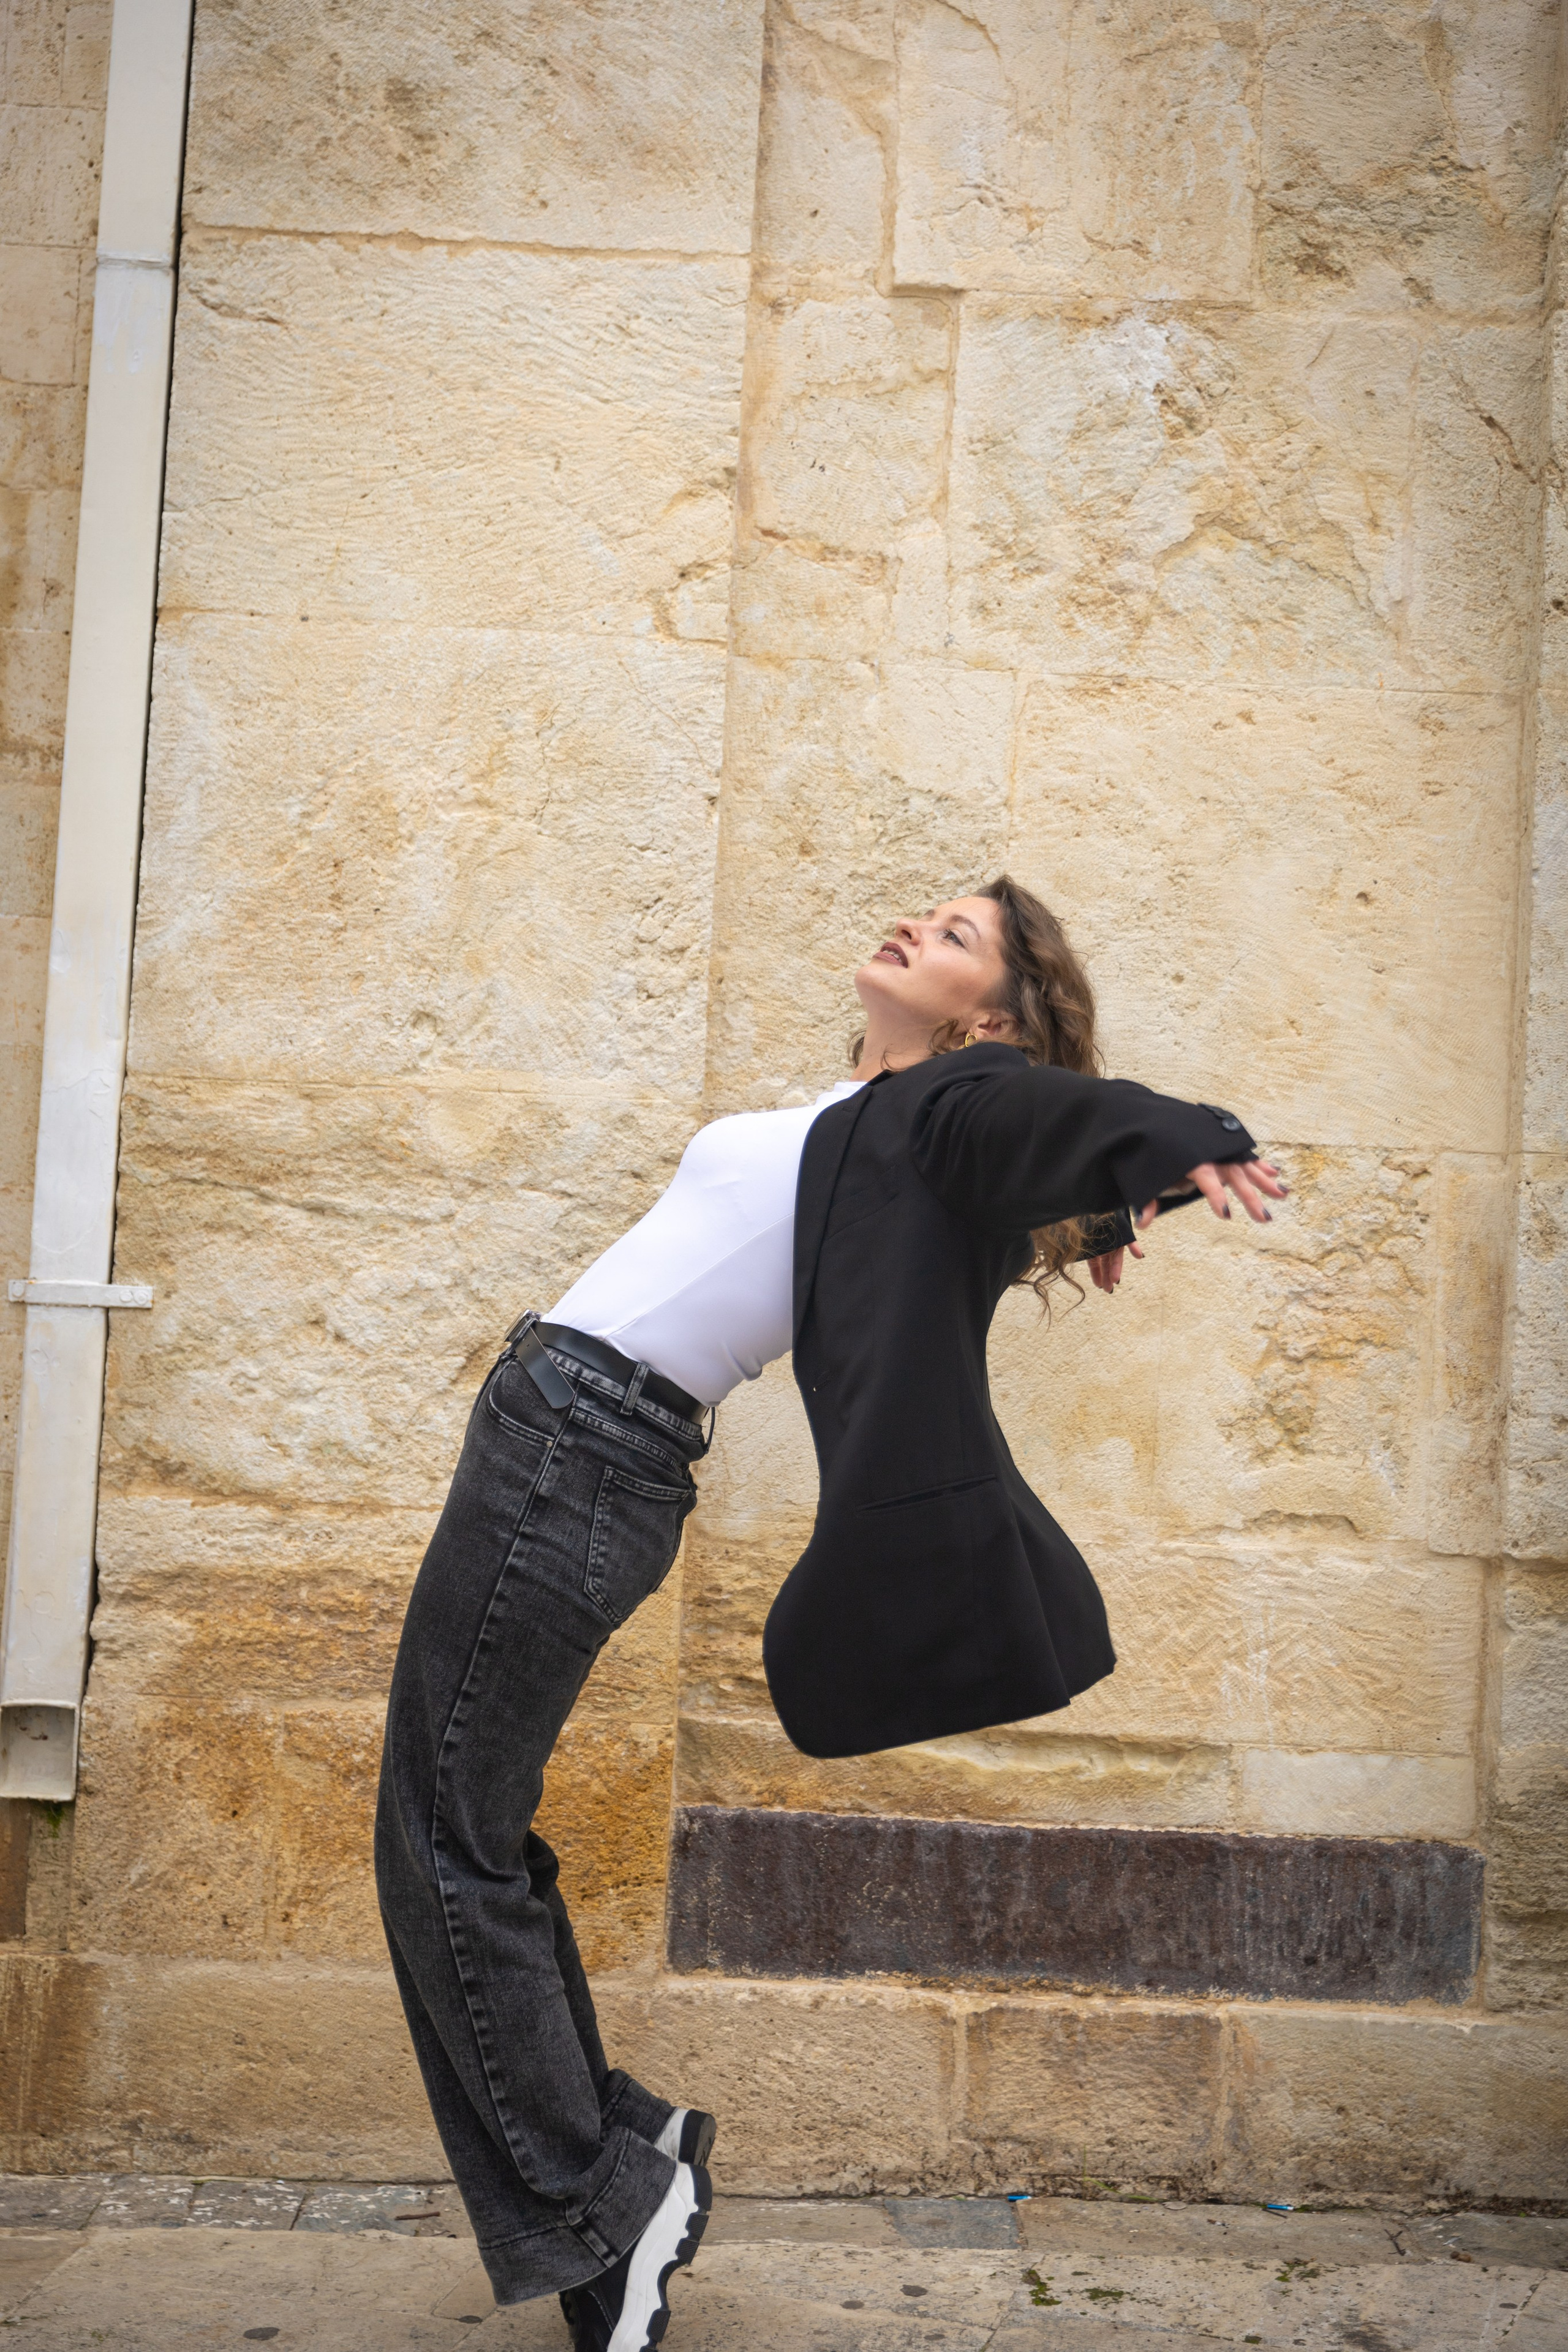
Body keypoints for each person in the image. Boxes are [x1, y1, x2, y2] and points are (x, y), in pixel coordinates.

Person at [374, 875, 1286, 2351]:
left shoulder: (947, 1106)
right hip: (549, 1439)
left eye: (955, 935)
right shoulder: (860, 1129)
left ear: (987, 1012)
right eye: (920, 911)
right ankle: (618, 2160)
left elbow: (1026, 1119)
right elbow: (989, 1187)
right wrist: (1102, 1201)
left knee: (440, 1835)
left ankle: (605, 2200)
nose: (912, 928)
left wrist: (1174, 1147)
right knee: (461, 1827)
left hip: (578, 1457)